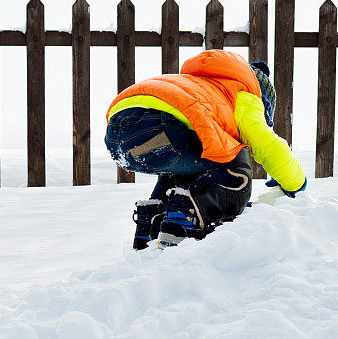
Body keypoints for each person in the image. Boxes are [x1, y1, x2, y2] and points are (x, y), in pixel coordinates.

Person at [104, 50, 306, 249]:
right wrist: (294, 182)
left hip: (118, 136)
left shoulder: (201, 87)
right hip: (161, 126)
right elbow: (267, 143)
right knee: (233, 155)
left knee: (184, 164)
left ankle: (150, 225)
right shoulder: (244, 94)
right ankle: (187, 215)